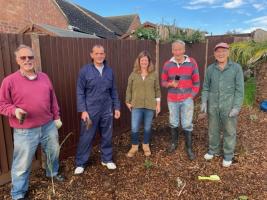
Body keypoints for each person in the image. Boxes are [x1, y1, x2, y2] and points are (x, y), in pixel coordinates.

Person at [0, 45, 64, 200]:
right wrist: (14, 111)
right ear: (17, 60)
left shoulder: (44, 77)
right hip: (25, 130)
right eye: (23, 57)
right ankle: (18, 193)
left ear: (34, 59)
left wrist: (56, 117)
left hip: (48, 125)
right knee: (22, 164)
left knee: (53, 152)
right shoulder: (9, 81)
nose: (27, 60)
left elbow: (52, 99)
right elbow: (2, 104)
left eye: (30, 57)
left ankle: (52, 173)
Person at [74, 45, 121, 175]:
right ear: (92, 55)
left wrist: (116, 106)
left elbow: (114, 91)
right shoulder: (85, 71)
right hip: (90, 110)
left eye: (102, 53)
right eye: (97, 53)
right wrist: (83, 110)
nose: (99, 56)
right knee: (86, 136)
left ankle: (106, 159)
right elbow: (80, 92)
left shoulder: (109, 71)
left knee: (107, 135)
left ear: (104, 55)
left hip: (106, 109)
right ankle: (81, 163)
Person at [201, 42, 244, 167]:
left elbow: (239, 90)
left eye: (223, 51)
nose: (221, 54)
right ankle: (213, 150)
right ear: (214, 54)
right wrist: (204, 101)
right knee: (213, 129)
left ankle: (228, 154)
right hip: (213, 105)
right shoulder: (210, 69)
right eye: (218, 52)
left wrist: (236, 107)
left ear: (228, 52)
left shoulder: (236, 68)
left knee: (229, 131)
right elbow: (206, 88)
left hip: (229, 105)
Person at [161, 40, 200, 160]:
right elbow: (163, 82)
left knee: (187, 124)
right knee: (173, 122)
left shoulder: (192, 63)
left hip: (187, 99)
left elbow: (197, 83)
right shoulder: (167, 64)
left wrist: (191, 96)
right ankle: (174, 143)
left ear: (184, 50)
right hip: (172, 99)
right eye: (175, 50)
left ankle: (189, 148)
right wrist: (170, 84)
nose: (177, 52)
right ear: (172, 51)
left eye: (179, 49)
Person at [125, 51, 161, 157]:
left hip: (150, 105)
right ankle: (134, 146)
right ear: (139, 61)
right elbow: (129, 89)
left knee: (147, 127)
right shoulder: (133, 74)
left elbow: (157, 90)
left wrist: (158, 104)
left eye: (146, 60)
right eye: (142, 60)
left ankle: (146, 146)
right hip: (136, 105)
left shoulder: (153, 74)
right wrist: (127, 101)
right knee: (135, 127)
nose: (144, 62)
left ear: (149, 62)